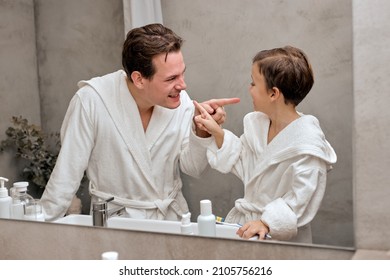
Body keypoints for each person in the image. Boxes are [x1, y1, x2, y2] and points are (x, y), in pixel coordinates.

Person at [40, 23, 239, 221]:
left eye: (182, 73)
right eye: (171, 78)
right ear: (139, 79)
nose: (183, 85)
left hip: (168, 221)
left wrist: (201, 130)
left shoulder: (181, 101)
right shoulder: (91, 101)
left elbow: (194, 168)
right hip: (115, 221)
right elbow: (66, 176)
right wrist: (38, 233)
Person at [193, 46, 337, 243]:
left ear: (273, 94)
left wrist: (268, 223)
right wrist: (216, 132)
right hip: (248, 229)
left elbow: (302, 199)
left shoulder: (308, 146)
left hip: (279, 237)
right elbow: (246, 165)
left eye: (253, 83)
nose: (249, 88)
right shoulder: (258, 126)